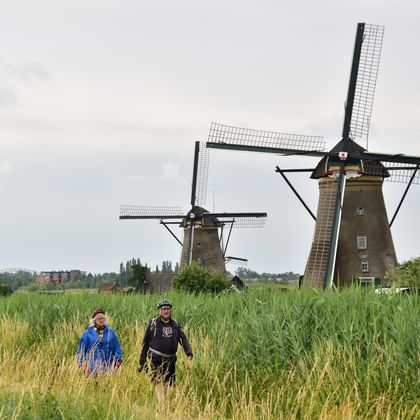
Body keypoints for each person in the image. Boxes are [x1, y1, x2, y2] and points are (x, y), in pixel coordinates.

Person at [138, 299, 193, 390]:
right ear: (159, 311)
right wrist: (142, 361)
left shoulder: (175, 324)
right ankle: (161, 403)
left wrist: (188, 352)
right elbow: (145, 342)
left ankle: (166, 402)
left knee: (169, 384)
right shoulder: (153, 324)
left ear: (170, 311)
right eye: (163, 309)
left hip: (171, 360)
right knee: (158, 382)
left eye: (168, 309)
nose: (166, 311)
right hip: (156, 359)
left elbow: (183, 338)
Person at [77, 308, 123, 374]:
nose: (101, 320)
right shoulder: (87, 333)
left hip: (109, 368)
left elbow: (117, 347)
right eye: (99, 318)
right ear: (94, 320)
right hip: (91, 369)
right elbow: (81, 351)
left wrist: (118, 359)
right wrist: (82, 364)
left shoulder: (110, 332)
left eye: (103, 318)